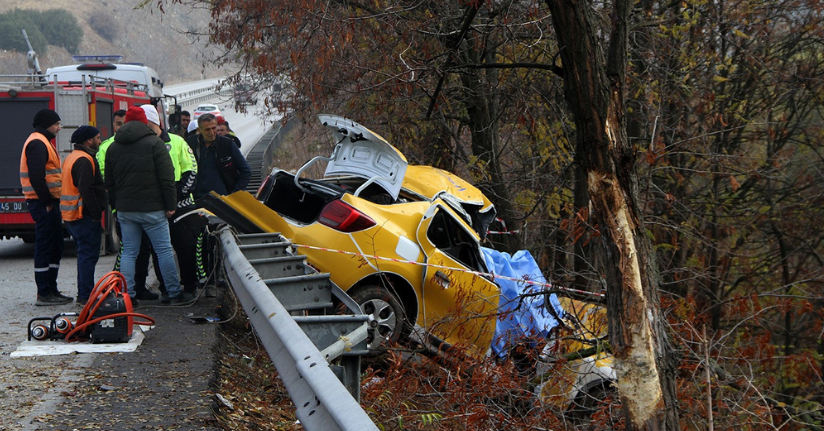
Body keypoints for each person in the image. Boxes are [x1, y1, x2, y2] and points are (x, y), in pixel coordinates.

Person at [105, 106, 189, 306]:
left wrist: (117, 206)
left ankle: (127, 295)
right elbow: (167, 178)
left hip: (126, 210)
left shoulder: (113, 147)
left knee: (129, 252)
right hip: (153, 209)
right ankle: (174, 293)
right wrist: (170, 205)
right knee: (164, 250)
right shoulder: (155, 144)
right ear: (145, 122)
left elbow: (109, 182)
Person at [141, 104, 205, 299]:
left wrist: (177, 197)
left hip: (183, 206)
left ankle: (189, 286)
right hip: (155, 207)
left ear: (155, 122)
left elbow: (191, 170)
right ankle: (167, 289)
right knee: (159, 251)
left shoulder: (177, 142)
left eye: (146, 124)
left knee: (186, 247)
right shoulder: (142, 145)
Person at [97, 109, 161, 301]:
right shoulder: (108, 146)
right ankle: (121, 290)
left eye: (125, 122)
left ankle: (138, 287)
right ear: (113, 125)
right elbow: (105, 179)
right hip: (125, 209)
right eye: (118, 123)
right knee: (129, 251)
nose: (123, 126)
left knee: (143, 251)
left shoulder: (145, 143)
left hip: (138, 206)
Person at [20, 109, 72, 306]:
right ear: (47, 123)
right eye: (57, 124)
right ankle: (44, 292)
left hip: (47, 202)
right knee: (45, 246)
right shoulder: (37, 142)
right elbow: (36, 176)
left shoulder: (43, 142)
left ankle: (51, 289)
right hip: (43, 203)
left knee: (54, 245)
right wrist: (48, 202)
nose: (59, 127)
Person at [60, 126, 106, 306]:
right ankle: (86, 295)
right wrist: (96, 213)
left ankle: (85, 294)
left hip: (72, 215)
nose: (99, 140)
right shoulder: (85, 160)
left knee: (84, 255)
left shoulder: (71, 157)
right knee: (88, 256)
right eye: (97, 137)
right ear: (88, 141)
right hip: (83, 216)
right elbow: (86, 189)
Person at [188, 113, 251, 200]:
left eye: (214, 128)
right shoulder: (191, 143)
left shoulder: (227, 144)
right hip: (197, 199)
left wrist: (234, 195)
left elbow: (246, 171)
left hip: (222, 200)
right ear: (199, 130)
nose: (211, 132)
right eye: (207, 130)